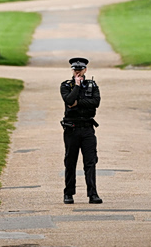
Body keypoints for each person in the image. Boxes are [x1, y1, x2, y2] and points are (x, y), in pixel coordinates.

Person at [60, 56, 102, 204]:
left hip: (87, 129)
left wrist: (79, 103)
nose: (78, 72)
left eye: (80, 69)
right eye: (75, 69)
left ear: (85, 69)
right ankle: (68, 193)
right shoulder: (66, 85)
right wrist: (77, 86)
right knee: (70, 161)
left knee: (90, 162)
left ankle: (93, 193)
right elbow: (69, 101)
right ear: (72, 70)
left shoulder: (92, 85)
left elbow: (95, 102)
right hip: (72, 129)